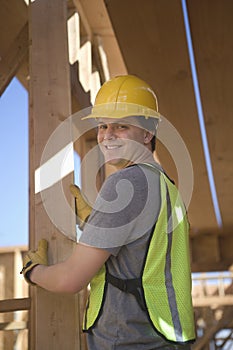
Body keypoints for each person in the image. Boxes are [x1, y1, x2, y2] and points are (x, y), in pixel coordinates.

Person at [21, 75, 196, 349]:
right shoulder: (166, 186)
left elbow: (71, 279)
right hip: (163, 340)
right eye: (103, 126)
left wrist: (34, 271)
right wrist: (95, 221)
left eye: (122, 126)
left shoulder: (126, 183)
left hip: (128, 341)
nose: (107, 135)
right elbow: (140, 252)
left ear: (148, 133)